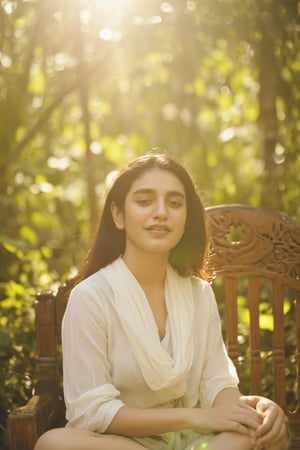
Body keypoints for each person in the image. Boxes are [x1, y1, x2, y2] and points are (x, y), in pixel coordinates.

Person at [35, 153, 289, 450]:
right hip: (122, 443)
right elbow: (92, 412)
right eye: (144, 201)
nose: (161, 212)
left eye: (174, 203)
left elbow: (217, 382)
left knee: (251, 433)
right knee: (54, 444)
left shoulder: (198, 293)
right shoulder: (90, 298)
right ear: (118, 215)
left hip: (195, 441)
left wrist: (249, 413)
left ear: (185, 218)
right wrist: (197, 418)